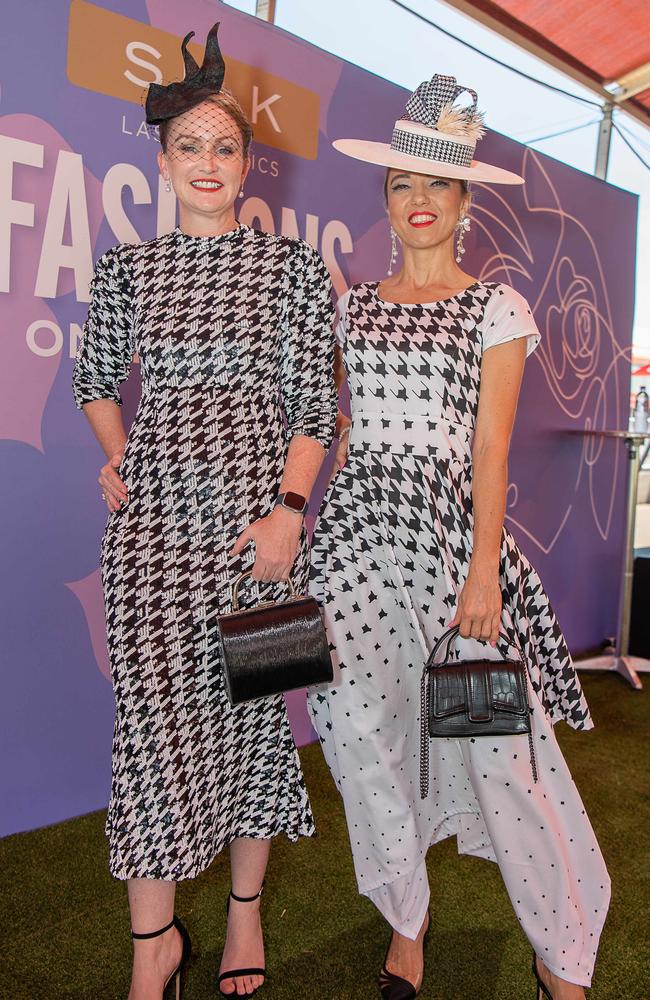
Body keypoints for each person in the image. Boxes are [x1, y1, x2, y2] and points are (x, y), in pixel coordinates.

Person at [308, 74, 610, 1000]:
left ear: (466, 201)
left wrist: (484, 574)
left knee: (499, 752)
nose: (420, 201)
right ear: (385, 199)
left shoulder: (498, 308)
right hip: (356, 548)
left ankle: (563, 942)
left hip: (452, 556)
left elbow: (488, 449)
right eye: (402, 184)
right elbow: (343, 433)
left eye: (438, 184)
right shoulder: (349, 304)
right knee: (361, 737)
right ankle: (408, 922)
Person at [73, 23, 337, 1000]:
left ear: (246, 160)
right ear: (164, 158)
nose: (208, 162)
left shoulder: (293, 270)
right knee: (149, 724)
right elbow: (96, 381)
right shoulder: (127, 270)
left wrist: (286, 512)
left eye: (224, 146)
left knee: (259, 717)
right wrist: (118, 458)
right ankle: (154, 947)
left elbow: (317, 407)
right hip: (152, 544)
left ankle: (241, 915)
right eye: (189, 145)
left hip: (261, 536)